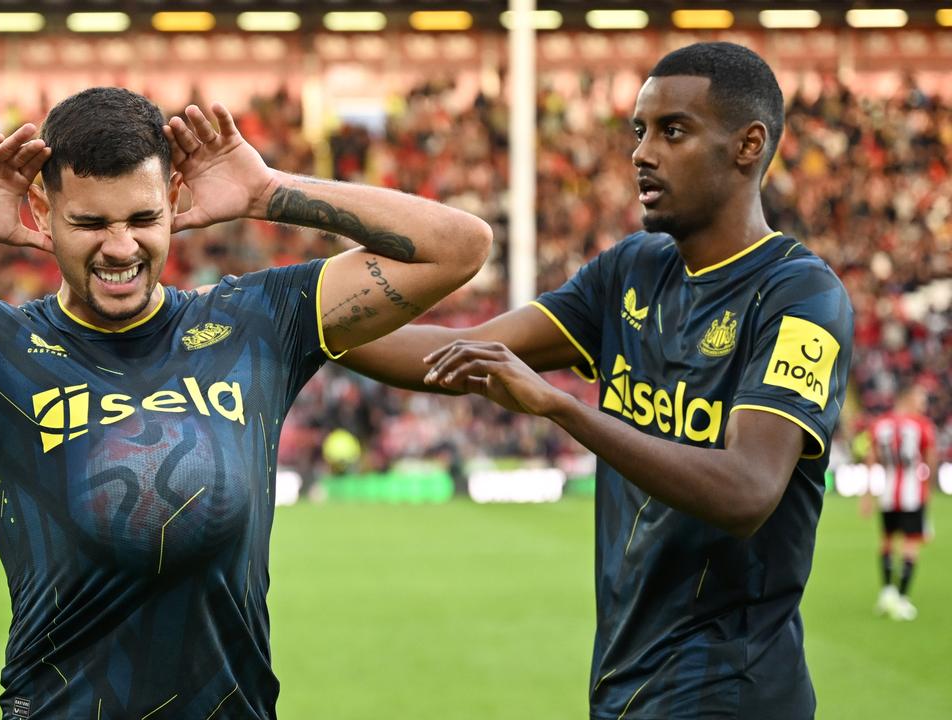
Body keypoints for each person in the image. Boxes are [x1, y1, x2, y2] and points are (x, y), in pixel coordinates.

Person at [0, 87, 491, 718]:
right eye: (90, 223)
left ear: (174, 202)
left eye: (142, 219)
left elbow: (458, 247)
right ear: (43, 210)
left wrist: (269, 193)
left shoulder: (260, 321)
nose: (121, 247)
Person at [339, 42, 853, 718]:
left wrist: (562, 407)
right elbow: (460, 352)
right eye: (639, 132)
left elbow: (748, 490)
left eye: (673, 131)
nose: (642, 153)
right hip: (626, 683)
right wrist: (299, 322)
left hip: (733, 690)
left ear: (748, 145)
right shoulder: (630, 273)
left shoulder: (801, 296)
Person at [863, 385, 937, 621]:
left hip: (887, 492)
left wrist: (867, 495)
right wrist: (930, 494)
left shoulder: (879, 424)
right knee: (910, 545)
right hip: (913, 494)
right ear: (907, 399)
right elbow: (931, 460)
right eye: (920, 398)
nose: (924, 405)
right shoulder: (922, 425)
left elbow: (871, 459)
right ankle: (902, 598)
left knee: (886, 541)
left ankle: (887, 592)